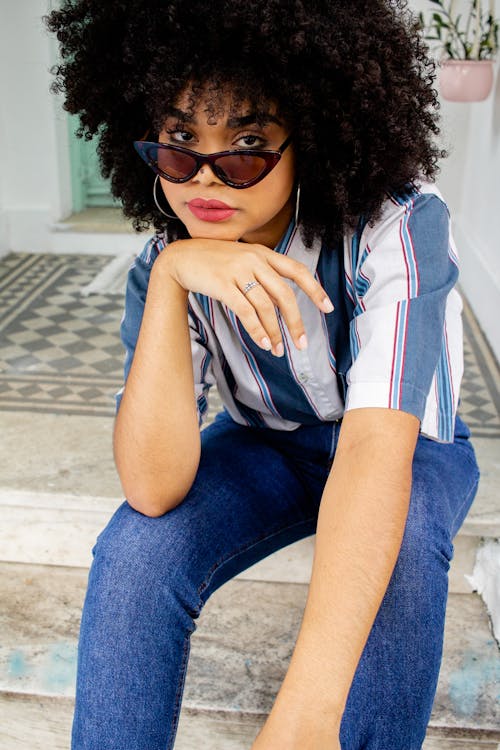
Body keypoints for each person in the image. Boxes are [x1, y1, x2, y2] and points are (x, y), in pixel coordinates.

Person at [46, 1, 480, 748]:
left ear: (308, 136)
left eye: (247, 144)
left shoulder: (399, 223)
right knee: (136, 548)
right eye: (181, 142)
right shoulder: (166, 260)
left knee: (403, 537)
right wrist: (175, 276)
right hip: (268, 447)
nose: (207, 178)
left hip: (407, 448)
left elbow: (376, 452)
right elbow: (153, 486)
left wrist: (306, 716)